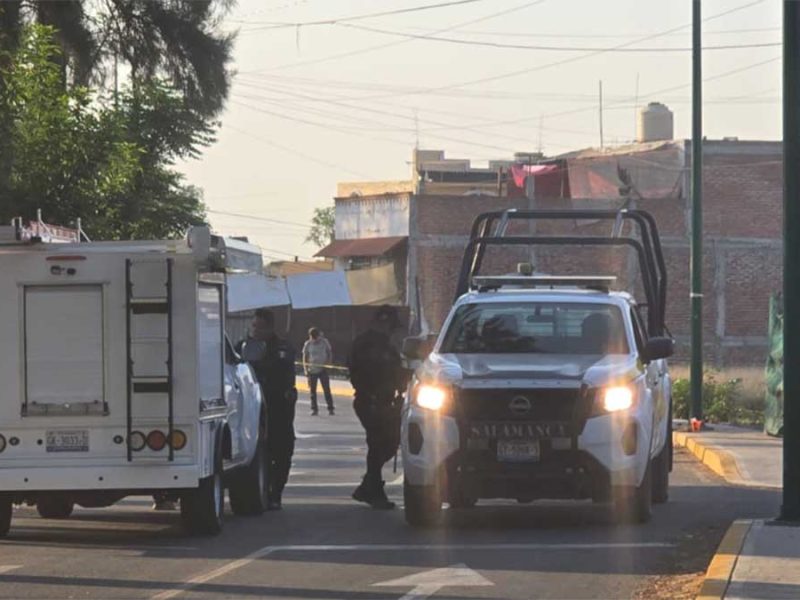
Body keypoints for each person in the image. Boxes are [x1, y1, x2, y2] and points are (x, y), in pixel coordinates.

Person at [348, 305, 409, 510]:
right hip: (370, 401)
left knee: (390, 443)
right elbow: (359, 372)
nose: (392, 330)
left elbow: (396, 373)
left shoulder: (387, 346)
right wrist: (371, 395)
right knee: (377, 444)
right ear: (383, 322)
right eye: (391, 326)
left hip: (385, 401)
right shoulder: (366, 344)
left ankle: (368, 485)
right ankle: (374, 490)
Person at [241, 308, 298, 511]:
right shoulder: (243, 347)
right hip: (250, 412)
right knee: (255, 453)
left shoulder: (282, 347)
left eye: (261, 326)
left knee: (282, 452)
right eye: (254, 325)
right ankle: (260, 491)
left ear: (270, 327)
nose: (256, 330)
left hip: (277, 409)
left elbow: (282, 370)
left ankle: (276, 493)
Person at [302, 327, 335, 416]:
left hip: (323, 369)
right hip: (312, 370)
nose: (314, 339)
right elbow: (305, 357)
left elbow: (329, 353)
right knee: (313, 391)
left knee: (326, 389)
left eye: (315, 337)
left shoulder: (324, 342)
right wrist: (306, 369)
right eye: (312, 337)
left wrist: (328, 364)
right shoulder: (308, 344)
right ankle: (314, 409)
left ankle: (331, 408)